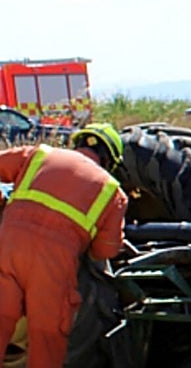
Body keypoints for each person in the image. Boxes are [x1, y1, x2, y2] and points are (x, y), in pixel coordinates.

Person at [0, 122, 128, 367]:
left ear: (77, 143)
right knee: (47, 336)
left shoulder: (39, 154)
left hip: (8, 251)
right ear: (110, 160)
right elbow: (105, 251)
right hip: (53, 266)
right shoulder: (112, 191)